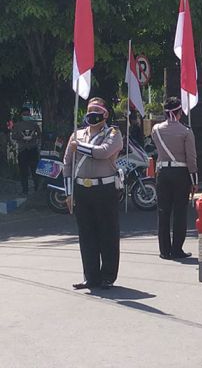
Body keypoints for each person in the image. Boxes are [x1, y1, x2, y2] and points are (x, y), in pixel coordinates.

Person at [63, 97, 123, 290]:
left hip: (104, 189)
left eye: (96, 110)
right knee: (86, 235)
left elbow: (103, 152)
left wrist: (78, 146)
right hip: (81, 189)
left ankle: (107, 276)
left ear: (105, 114)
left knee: (107, 233)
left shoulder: (113, 134)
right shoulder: (77, 134)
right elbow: (68, 164)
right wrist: (69, 193)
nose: (92, 114)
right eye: (89, 110)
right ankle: (90, 276)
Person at [151, 97, 198, 260]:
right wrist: (194, 181)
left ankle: (164, 250)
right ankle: (177, 249)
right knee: (180, 212)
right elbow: (191, 158)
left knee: (163, 211)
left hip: (163, 172)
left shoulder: (156, 129)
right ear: (179, 112)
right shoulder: (186, 131)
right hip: (181, 173)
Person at [11, 107, 41, 194]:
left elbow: (39, 134)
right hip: (22, 150)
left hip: (32, 149)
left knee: (35, 170)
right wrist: (21, 137)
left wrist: (33, 137)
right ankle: (25, 190)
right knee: (23, 171)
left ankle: (37, 188)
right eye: (25, 114)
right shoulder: (17, 125)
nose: (26, 116)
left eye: (28, 114)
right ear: (21, 115)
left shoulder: (34, 124)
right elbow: (13, 136)